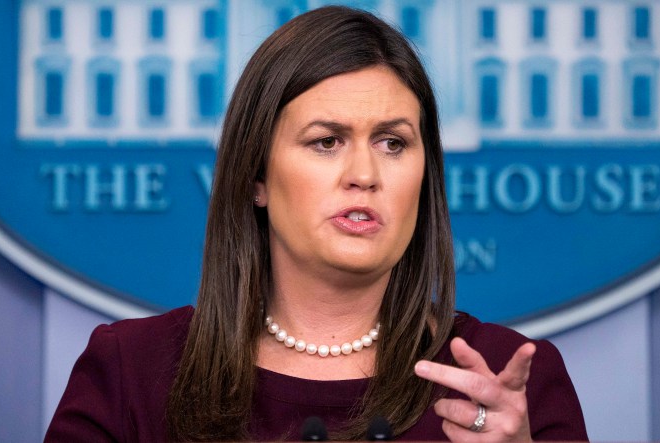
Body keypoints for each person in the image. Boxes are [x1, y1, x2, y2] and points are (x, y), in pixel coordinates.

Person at [45, 6, 587, 442]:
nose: (364, 174)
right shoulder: (129, 372)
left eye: (393, 143)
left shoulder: (504, 385)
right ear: (256, 174)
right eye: (326, 142)